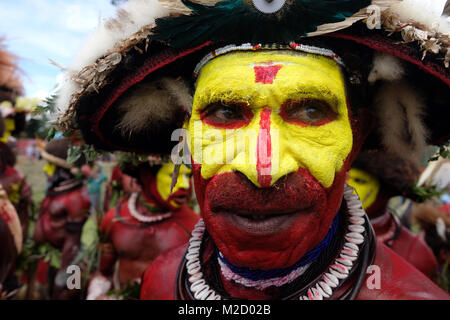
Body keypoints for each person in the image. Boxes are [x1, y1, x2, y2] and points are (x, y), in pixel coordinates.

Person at [56, 0, 450, 300]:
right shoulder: (162, 280)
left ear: (357, 134)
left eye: (311, 112)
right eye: (225, 112)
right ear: (185, 132)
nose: (265, 167)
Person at [87, 158, 198, 299]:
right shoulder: (114, 220)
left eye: (188, 176)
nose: (185, 184)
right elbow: (104, 273)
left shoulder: (195, 227)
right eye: (173, 176)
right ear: (146, 177)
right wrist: (97, 294)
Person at [348, 151, 438, 279]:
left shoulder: (416, 256)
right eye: (344, 177)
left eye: (359, 180)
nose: (346, 187)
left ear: (387, 192)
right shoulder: (315, 232)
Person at [33, 138, 91, 300]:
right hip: (54, 258)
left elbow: (74, 245)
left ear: (63, 169)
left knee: (68, 296)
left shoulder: (77, 198)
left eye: (50, 165)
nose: (45, 169)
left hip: (73, 265)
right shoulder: (59, 190)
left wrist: (63, 279)